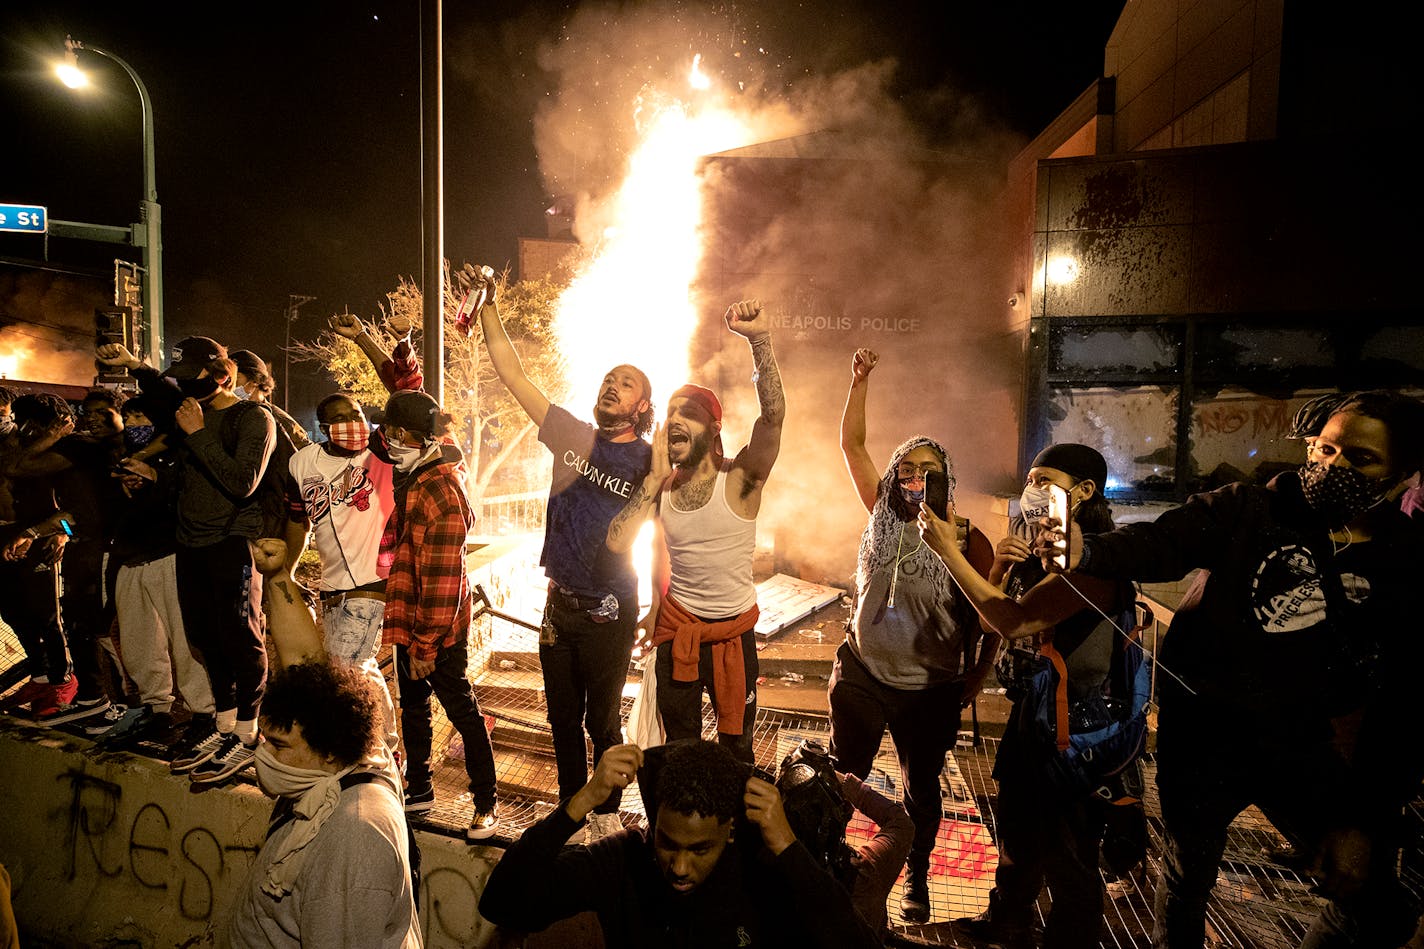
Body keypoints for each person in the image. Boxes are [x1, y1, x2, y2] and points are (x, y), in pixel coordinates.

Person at [1032, 390, 1424, 948]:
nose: (1333, 467)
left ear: (1403, 473)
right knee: (1187, 879)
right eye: (1327, 450)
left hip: (1300, 744)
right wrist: (1086, 553)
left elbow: (1403, 698)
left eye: (1360, 460)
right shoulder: (1251, 508)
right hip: (1205, 737)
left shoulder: (1406, 560)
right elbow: (1161, 542)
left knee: (1374, 904)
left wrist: (1364, 815)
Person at [919, 442, 1131, 949]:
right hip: (1031, 719)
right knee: (1017, 837)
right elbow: (995, 623)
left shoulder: (1097, 561)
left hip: (1076, 734)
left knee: (1070, 858)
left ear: (1085, 492)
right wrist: (997, 575)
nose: (1032, 491)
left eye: (1046, 480)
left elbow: (1013, 622)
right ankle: (1009, 925)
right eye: (1030, 479)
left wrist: (948, 549)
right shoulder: (1039, 552)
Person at [477, 273, 653, 842]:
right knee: (560, 723)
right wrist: (489, 308)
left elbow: (677, 531)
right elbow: (512, 372)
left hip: (611, 607)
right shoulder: (571, 434)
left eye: (626, 384)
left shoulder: (653, 462)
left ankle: (606, 821)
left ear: (641, 405)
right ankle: (574, 820)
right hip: (560, 608)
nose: (612, 385)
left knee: (600, 722)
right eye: (608, 379)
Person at [831, 347, 995, 923]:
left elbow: (992, 614)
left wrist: (979, 673)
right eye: (907, 467)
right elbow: (851, 445)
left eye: (930, 470)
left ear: (947, 479)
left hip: (929, 689)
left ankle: (917, 879)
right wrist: (860, 380)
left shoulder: (969, 539)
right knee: (839, 777)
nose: (916, 478)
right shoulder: (880, 511)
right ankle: (824, 864)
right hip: (863, 673)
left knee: (921, 791)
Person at [606, 299, 786, 768]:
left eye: (688, 412)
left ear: (714, 427)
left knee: (737, 754)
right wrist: (654, 608)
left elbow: (772, 420)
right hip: (677, 633)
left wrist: (760, 341)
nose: (675, 421)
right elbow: (628, 546)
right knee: (676, 751)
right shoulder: (660, 488)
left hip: (733, 639)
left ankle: (729, 838)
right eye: (671, 413)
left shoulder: (740, 480)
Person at [478, 739, 881, 948]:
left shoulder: (762, 873)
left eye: (700, 849)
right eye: (668, 844)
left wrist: (791, 852)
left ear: (729, 831)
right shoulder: (625, 859)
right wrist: (578, 804)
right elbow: (502, 901)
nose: (680, 867)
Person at [96, 336, 276, 785]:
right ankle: (223, 724)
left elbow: (243, 482)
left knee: (240, 635)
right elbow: (161, 394)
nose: (187, 389)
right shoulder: (187, 411)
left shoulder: (252, 418)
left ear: (223, 375)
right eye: (183, 380)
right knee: (203, 636)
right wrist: (135, 364)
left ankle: (248, 733)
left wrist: (198, 436)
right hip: (190, 542)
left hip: (230, 540)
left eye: (196, 379)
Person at [375, 389, 500, 841]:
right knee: (413, 709)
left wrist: (425, 645)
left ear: (407, 436)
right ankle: (420, 788)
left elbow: (444, 581)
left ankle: (486, 802)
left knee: (462, 711)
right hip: (410, 619)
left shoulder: (440, 492)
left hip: (436, 629)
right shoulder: (416, 470)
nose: (384, 441)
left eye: (390, 432)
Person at [227, 658, 421, 949]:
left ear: (330, 750)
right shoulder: (326, 782)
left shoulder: (355, 836)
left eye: (280, 746)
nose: (264, 755)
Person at [287, 391, 399, 747]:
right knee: (357, 669)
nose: (353, 422)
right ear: (324, 428)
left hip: (374, 581)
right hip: (332, 584)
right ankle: (388, 744)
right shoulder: (301, 464)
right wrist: (286, 572)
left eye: (357, 413)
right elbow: (297, 521)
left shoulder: (380, 455)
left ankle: (366, 747)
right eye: (341, 418)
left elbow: (405, 390)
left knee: (344, 668)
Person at [0, 392, 76, 719]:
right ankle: (41, 675)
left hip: (39, 535)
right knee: (12, 611)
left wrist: (63, 534)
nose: (22, 425)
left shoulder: (64, 449)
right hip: (7, 534)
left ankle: (62, 680)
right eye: (19, 418)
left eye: (31, 421)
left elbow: (79, 507)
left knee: (45, 613)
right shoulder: (15, 443)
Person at [229, 349, 312, 449]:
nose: (230, 383)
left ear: (255, 380)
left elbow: (306, 450)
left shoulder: (277, 418)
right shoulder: (237, 413)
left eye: (236, 378)